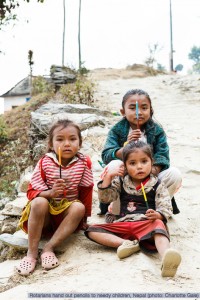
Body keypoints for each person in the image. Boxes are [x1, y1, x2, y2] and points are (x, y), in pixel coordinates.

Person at [85, 141, 181, 277]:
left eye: (144, 161)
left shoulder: (158, 184)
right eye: (132, 163)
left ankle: (166, 256)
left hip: (146, 224)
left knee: (159, 226)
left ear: (151, 162)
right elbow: (105, 199)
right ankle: (127, 244)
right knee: (91, 230)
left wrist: (158, 215)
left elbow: (165, 206)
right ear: (124, 166)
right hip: (123, 223)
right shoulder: (121, 181)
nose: (139, 167)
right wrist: (108, 177)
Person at [17, 119, 94, 276]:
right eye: (60, 139)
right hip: (44, 217)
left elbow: (86, 190)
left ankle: (49, 248)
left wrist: (84, 219)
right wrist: (50, 193)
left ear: (79, 143)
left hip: (65, 217)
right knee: (39, 201)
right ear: (51, 144)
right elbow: (31, 192)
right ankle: (31, 254)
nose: (66, 144)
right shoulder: (45, 162)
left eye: (72, 139)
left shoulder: (83, 163)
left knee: (78, 206)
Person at [99, 89, 181, 215]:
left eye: (144, 108)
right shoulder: (117, 130)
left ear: (151, 110)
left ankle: (158, 209)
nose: (139, 112)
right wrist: (126, 147)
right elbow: (106, 155)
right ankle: (117, 210)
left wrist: (150, 172)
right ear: (123, 112)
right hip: (125, 178)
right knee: (114, 165)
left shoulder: (157, 130)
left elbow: (163, 157)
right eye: (132, 108)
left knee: (174, 174)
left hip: (151, 176)